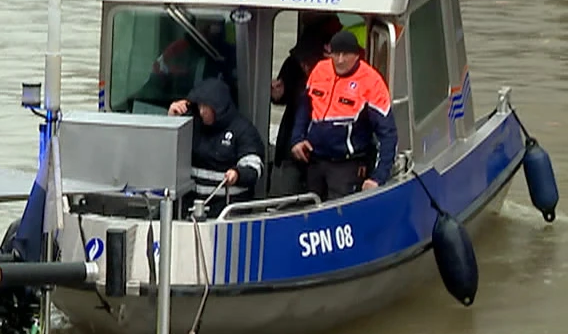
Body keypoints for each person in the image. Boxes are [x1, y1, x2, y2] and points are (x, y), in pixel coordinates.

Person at [288, 31, 398, 202]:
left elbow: (388, 133)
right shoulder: (320, 70)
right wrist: (296, 139)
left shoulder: (372, 82)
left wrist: (378, 177)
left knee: (337, 212)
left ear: (356, 56)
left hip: (346, 166)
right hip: (314, 160)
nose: (339, 60)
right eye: (336, 54)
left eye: (345, 54)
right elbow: (304, 108)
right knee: (308, 208)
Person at [268, 17, 341, 196]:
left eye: (308, 61)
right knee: (285, 195)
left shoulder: (342, 74)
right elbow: (282, 95)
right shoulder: (293, 64)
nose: (304, 65)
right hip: (290, 148)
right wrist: (278, 94)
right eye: (302, 61)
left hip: (327, 155)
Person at [168, 77, 265, 205]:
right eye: (200, 106)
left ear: (219, 107)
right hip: (189, 205)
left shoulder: (243, 129)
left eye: (207, 107)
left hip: (226, 208)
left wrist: (238, 174)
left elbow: (254, 166)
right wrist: (172, 121)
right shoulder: (192, 125)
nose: (202, 112)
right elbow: (166, 153)